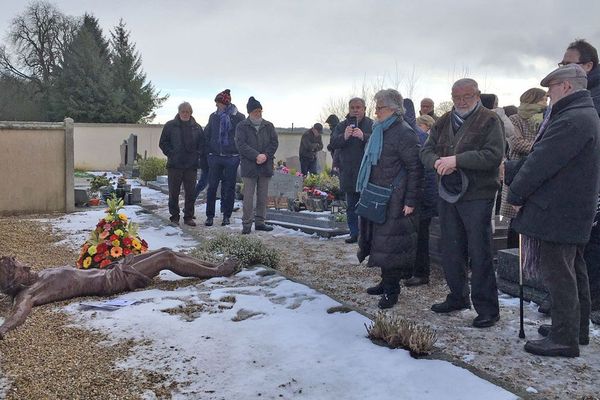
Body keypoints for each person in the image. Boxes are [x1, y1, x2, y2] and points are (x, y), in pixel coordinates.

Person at [507, 64, 600, 357]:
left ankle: (563, 338)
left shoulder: (571, 119)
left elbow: (541, 162)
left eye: (552, 89)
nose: (548, 96)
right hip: (571, 208)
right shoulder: (584, 114)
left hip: (558, 209)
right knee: (574, 269)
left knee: (559, 273)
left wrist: (516, 192)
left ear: (567, 87)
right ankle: (574, 328)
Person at [0, 249, 238, 339]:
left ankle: (213, 265)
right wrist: (4, 328)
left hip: (111, 271)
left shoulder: (39, 276)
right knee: (166, 259)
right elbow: (19, 312)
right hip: (114, 280)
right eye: (21, 269)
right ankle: (217, 272)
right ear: (14, 281)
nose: (27, 267)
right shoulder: (29, 293)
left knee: (167, 251)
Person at [420, 78, 504, 328]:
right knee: (450, 248)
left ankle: (488, 308)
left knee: (480, 252)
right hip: (448, 192)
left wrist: (457, 160)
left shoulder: (490, 120)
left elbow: (493, 155)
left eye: (467, 97)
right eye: (456, 97)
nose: (461, 102)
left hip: (478, 195)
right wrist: (436, 162)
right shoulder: (444, 120)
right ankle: (457, 296)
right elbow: (426, 150)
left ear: (477, 95)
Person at [357, 89, 422, 309]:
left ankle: (392, 291)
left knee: (392, 245)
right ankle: (385, 282)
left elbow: (415, 168)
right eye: (376, 107)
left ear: (394, 109)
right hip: (378, 194)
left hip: (396, 197)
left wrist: (410, 200)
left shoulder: (404, 132)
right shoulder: (380, 129)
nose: (376, 112)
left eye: (380, 108)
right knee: (381, 242)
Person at [560, 39, 600, 325]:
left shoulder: (591, 99)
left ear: (587, 66)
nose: (562, 68)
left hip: (585, 186)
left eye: (568, 63)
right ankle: (577, 320)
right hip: (586, 185)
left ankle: (578, 319)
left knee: (585, 252)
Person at [499, 88, 547, 248]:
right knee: (515, 219)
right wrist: (543, 149)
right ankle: (512, 260)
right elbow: (516, 143)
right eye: (542, 99)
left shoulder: (548, 118)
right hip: (518, 170)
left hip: (539, 172)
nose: (546, 102)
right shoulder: (515, 119)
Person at [328, 98, 374, 244]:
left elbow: (380, 143)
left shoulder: (372, 124)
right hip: (348, 171)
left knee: (367, 206)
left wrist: (364, 137)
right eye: (352, 107)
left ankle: (367, 235)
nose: (355, 110)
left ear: (364, 109)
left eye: (358, 107)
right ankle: (354, 233)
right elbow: (333, 143)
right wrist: (345, 136)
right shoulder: (342, 125)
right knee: (351, 206)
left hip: (367, 172)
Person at [235, 96, 279, 235]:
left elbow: (274, 143)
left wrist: (265, 155)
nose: (258, 113)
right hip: (249, 166)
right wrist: (256, 156)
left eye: (260, 111)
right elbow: (241, 145)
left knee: (262, 196)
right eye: (255, 111)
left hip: (265, 165)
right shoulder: (242, 126)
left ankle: (260, 222)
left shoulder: (269, 126)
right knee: (248, 196)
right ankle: (247, 224)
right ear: (249, 112)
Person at [202, 89, 245, 227]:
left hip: (232, 157)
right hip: (215, 156)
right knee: (212, 187)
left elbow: (242, 136)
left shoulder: (239, 117)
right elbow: (207, 134)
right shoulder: (213, 117)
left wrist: (238, 152)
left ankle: (226, 215)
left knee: (229, 188)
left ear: (225, 103)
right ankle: (210, 216)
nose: (216, 106)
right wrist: (209, 152)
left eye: (218, 103)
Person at [405, 114, 438, 286]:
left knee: (420, 237)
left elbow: (428, 172)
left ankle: (421, 273)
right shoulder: (414, 135)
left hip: (423, 196)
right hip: (420, 195)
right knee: (415, 236)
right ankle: (414, 270)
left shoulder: (419, 138)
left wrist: (429, 200)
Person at [159, 102, 203, 226]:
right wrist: (171, 153)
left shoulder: (196, 127)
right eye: (182, 111)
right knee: (174, 193)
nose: (185, 114)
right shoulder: (170, 126)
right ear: (179, 112)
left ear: (191, 113)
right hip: (175, 165)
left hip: (191, 166)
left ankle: (188, 216)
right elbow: (163, 143)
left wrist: (197, 155)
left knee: (190, 193)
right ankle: (174, 217)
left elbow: (202, 144)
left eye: (187, 111)